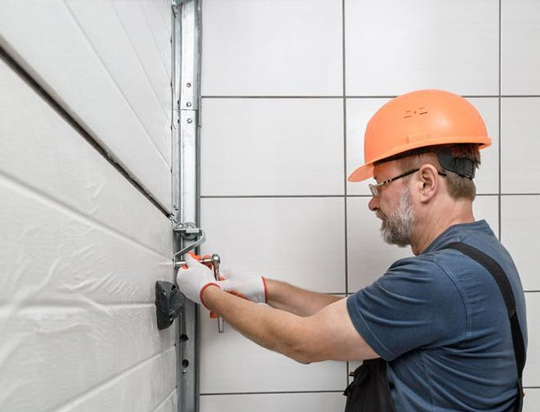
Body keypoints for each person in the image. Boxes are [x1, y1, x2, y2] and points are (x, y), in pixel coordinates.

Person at [177, 89, 527, 411]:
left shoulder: (439, 278)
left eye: (380, 186)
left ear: (425, 182)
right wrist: (267, 289)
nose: (373, 204)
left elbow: (302, 343)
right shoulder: (480, 254)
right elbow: (364, 316)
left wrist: (208, 293)